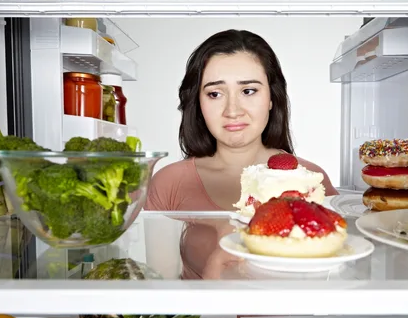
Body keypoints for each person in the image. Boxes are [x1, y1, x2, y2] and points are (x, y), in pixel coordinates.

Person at [144, 29, 338, 212]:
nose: (233, 111)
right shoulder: (168, 183)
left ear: (272, 98)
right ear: (197, 103)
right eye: (214, 94)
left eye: (248, 91)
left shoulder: (312, 178)